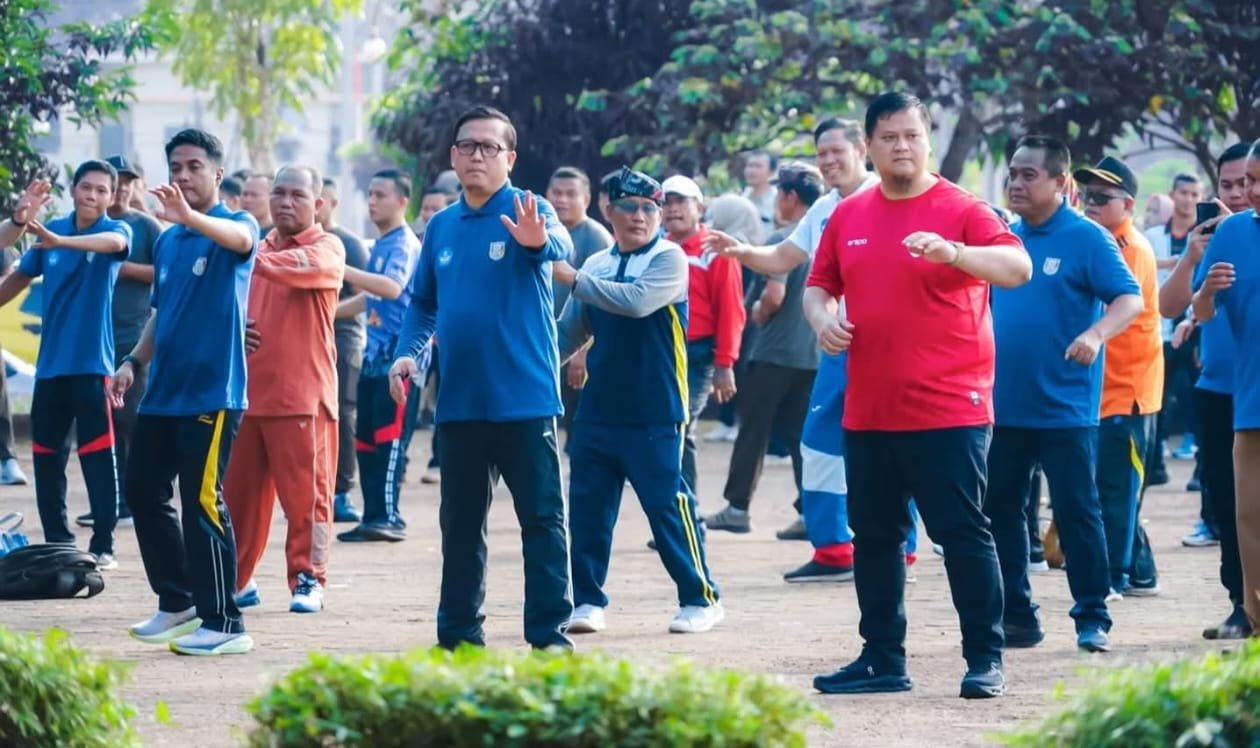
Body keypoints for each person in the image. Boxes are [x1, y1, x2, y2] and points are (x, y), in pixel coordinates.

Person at [803, 92, 1030, 698]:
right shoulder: (849, 215)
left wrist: (954, 252)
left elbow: (1017, 268)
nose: (902, 147)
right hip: (870, 408)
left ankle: (985, 658)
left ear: (927, 140)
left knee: (961, 534)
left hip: (950, 408)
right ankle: (882, 659)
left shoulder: (962, 207)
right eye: (889, 138)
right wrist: (822, 321)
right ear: (869, 147)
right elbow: (818, 286)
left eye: (912, 136)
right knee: (873, 538)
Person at [389, 105, 574, 650]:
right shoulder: (442, 225)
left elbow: (559, 247)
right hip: (460, 404)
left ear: (510, 158)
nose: (476, 155)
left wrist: (537, 241)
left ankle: (549, 638)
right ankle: (459, 638)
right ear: (452, 155)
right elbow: (423, 303)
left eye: (489, 147)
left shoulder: (529, 208)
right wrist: (408, 354)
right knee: (461, 529)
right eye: (467, 145)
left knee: (542, 523)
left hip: (526, 399)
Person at [705, 117, 909, 583]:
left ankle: (904, 551)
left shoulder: (893, 195)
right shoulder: (825, 209)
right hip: (837, 347)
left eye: (838, 151)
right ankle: (834, 549)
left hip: (892, 348)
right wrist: (742, 251)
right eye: (822, 154)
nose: (830, 161)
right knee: (818, 444)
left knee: (897, 446)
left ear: (863, 148)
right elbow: (783, 258)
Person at [985, 136, 1143, 653]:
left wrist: (1095, 335)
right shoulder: (1005, 239)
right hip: (1005, 407)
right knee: (1003, 511)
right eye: (1012, 173)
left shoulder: (1087, 238)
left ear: (1061, 183)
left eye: (1029, 174)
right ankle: (1018, 615)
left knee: (1077, 511)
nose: (1016, 183)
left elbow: (1129, 299)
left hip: (1066, 410)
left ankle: (1092, 617)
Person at [552, 166, 722, 635]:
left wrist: (571, 277)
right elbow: (568, 334)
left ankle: (700, 597)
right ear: (609, 210)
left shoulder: (669, 259)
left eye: (651, 208)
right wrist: (529, 366)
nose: (642, 216)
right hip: (599, 409)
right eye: (630, 207)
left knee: (668, 506)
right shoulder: (599, 265)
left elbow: (637, 301)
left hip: (657, 409)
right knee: (587, 509)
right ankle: (587, 599)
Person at [112, 128, 258, 655]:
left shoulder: (237, 224)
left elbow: (242, 243)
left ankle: (226, 622)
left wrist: (192, 217)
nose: (182, 176)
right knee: (143, 490)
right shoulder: (170, 241)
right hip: (163, 393)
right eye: (175, 166)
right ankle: (177, 601)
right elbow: (160, 313)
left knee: (203, 503)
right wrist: (132, 361)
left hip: (212, 395)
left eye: (194, 166)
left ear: (217, 174)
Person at [225, 164, 344, 615]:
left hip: (303, 398)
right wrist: (235, 327)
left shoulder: (326, 248)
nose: (285, 202)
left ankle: (309, 578)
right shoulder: (257, 246)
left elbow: (290, 269)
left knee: (307, 501)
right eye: (279, 193)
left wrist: (239, 251)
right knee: (238, 502)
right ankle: (234, 581)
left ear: (318, 204)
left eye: (297, 194)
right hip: (248, 395)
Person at [0, 168, 130, 569]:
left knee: (97, 457)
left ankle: (103, 544)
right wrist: (38, 231)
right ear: (72, 190)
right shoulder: (48, 231)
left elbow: (114, 243)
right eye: (86, 187)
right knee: (46, 458)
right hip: (51, 369)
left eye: (101, 190)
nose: (92, 194)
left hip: (93, 368)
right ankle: (59, 542)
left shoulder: (116, 230)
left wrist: (62, 241)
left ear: (110, 197)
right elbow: (18, 278)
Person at [1162, 141, 1254, 639]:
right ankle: (1241, 603)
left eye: (1248, 182)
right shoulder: (1218, 236)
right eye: (1230, 184)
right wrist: (1191, 256)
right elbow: (1171, 305)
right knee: (1227, 502)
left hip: (1253, 387)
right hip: (1219, 389)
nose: (1240, 193)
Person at [705, 165, 822, 534]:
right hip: (813, 352)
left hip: (772, 352)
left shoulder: (785, 238)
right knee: (802, 435)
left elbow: (774, 295)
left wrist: (755, 313)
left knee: (752, 431)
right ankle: (811, 511)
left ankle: (737, 508)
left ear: (789, 196)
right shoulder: (823, 238)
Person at [1074, 156, 1165, 598]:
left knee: (1117, 489)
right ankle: (1139, 570)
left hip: (1127, 390)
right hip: (1107, 389)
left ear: (1127, 204)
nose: (1090, 204)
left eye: (1101, 197)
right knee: (1117, 487)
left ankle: (1114, 575)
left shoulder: (1126, 247)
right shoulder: (1106, 241)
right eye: (1086, 195)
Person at [1192, 140, 1260, 636]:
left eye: (1256, 180)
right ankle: (1253, 617)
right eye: (1245, 180)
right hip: (1249, 402)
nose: (1248, 191)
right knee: (1248, 519)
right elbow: (1198, 312)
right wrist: (1206, 293)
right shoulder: (1233, 232)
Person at [334, 169, 423, 543]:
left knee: (389, 442)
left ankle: (388, 516)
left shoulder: (403, 244)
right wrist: (325, 312)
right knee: (367, 443)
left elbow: (390, 288)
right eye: (369, 194)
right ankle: (372, 516)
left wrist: (338, 267)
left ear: (403, 201)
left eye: (380, 195)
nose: (372, 201)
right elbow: (369, 297)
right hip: (373, 362)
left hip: (398, 363)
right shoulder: (382, 245)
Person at [75, 155, 163, 530]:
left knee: (130, 423)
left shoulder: (146, 227)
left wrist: (120, 265)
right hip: (93, 340)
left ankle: (131, 499)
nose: (123, 188)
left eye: (130, 181)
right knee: (97, 424)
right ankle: (106, 502)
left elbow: (168, 273)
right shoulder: (88, 226)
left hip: (132, 341)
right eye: (118, 181)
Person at [661, 174, 744, 497]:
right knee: (668, 431)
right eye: (666, 202)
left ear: (700, 207)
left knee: (680, 428)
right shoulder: (658, 246)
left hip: (697, 354)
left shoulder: (715, 250)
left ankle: (687, 518)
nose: (672, 209)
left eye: (680, 201)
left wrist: (725, 364)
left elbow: (731, 309)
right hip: (662, 351)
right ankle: (675, 517)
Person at [546, 166, 613, 449]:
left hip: (579, 344)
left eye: (570, 194)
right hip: (544, 339)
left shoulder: (597, 238)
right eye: (557, 193)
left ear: (586, 199)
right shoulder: (541, 233)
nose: (562, 200)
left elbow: (601, 301)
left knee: (579, 422)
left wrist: (582, 352)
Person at [1146, 175, 1204, 496]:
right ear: (1173, 195)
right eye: (1183, 192)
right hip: (1160, 329)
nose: (1188, 199)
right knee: (1158, 401)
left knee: (1197, 403)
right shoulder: (1154, 236)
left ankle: (1200, 470)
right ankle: (1155, 466)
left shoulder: (1207, 234)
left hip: (1196, 331)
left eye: (1195, 193)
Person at [317, 178, 370, 522]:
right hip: (306, 339)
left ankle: (341, 493)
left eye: (319, 199)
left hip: (343, 338)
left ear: (332, 203)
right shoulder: (290, 242)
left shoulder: (349, 243)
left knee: (344, 412)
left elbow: (369, 296)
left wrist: (325, 312)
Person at [742, 150, 779, 235]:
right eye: (750, 166)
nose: (752, 171)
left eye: (758, 166)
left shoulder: (777, 200)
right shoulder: (742, 199)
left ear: (771, 172)